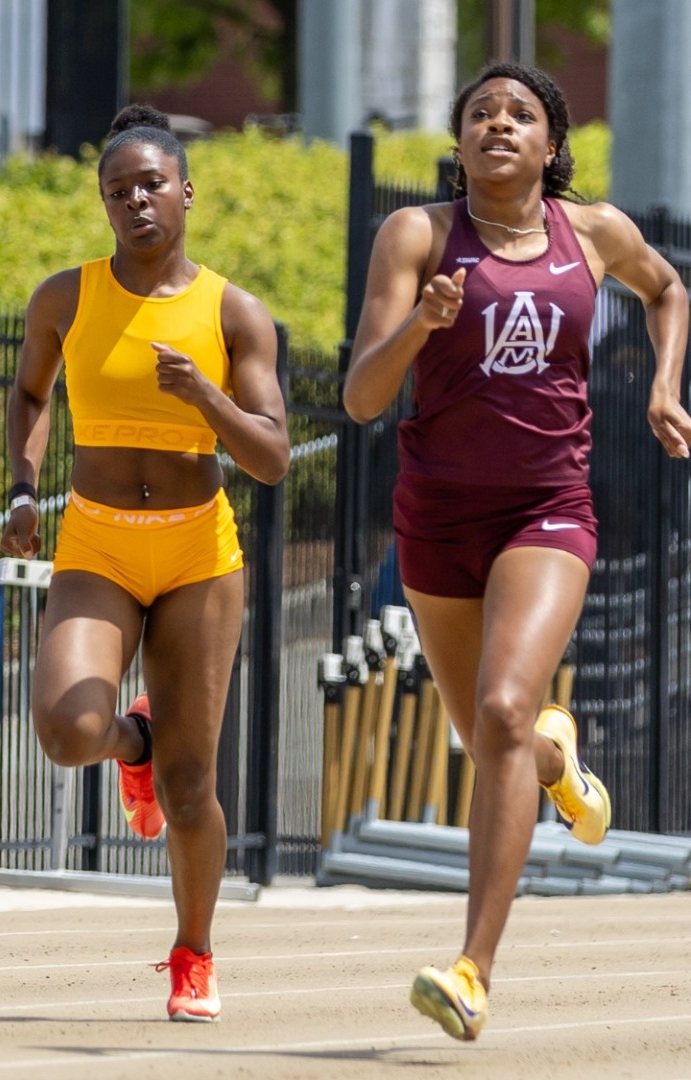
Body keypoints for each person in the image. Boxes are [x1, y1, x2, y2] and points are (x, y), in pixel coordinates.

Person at [342, 63, 690, 1042]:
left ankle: (472, 970)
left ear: (551, 145)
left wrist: (665, 386)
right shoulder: (415, 236)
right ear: (459, 143)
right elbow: (362, 399)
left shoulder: (594, 233)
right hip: (438, 521)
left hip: (547, 510)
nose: (498, 123)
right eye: (480, 113)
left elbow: (669, 289)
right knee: (495, 738)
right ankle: (555, 757)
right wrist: (421, 325)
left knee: (499, 709)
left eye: (520, 114)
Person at [0, 104, 289, 1022]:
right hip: (97, 540)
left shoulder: (234, 313)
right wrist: (21, 488)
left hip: (199, 551)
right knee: (65, 731)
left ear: (186, 192)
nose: (135, 201)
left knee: (192, 787)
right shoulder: (66, 298)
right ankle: (135, 740)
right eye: (117, 190)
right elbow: (29, 394)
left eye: (151, 184)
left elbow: (272, 456)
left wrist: (204, 394)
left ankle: (193, 954)